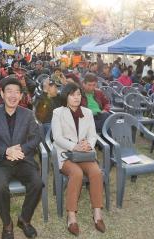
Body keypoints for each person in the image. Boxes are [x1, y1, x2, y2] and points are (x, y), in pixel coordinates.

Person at [0, 77, 43, 239]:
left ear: (21, 95)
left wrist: (20, 149)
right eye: (9, 91)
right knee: (0, 187)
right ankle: (7, 223)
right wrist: (6, 151)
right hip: (1, 161)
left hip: (23, 159)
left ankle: (24, 219)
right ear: (1, 93)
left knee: (37, 183)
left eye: (17, 92)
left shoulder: (28, 114)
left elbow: (35, 138)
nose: (13, 95)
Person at [51, 83, 106, 236]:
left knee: (96, 172)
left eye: (78, 94)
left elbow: (93, 135)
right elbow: (57, 137)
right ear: (66, 96)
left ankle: (97, 213)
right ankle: (71, 216)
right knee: (76, 174)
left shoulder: (87, 112)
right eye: (72, 94)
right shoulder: (58, 112)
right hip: (66, 154)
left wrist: (88, 144)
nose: (76, 97)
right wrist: (74, 146)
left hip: (84, 153)